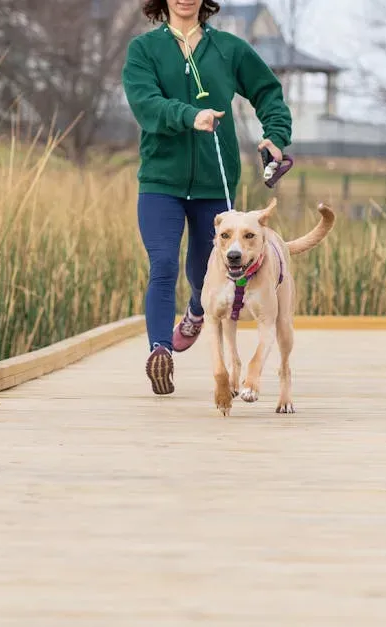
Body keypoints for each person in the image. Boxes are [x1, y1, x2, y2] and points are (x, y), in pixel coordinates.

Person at [122, 0, 292, 396]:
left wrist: (276, 136)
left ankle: (198, 311)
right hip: (160, 182)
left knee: (205, 272)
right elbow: (145, 105)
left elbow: (268, 92)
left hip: (215, 184)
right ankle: (159, 350)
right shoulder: (143, 50)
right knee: (162, 263)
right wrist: (188, 116)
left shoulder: (229, 49)